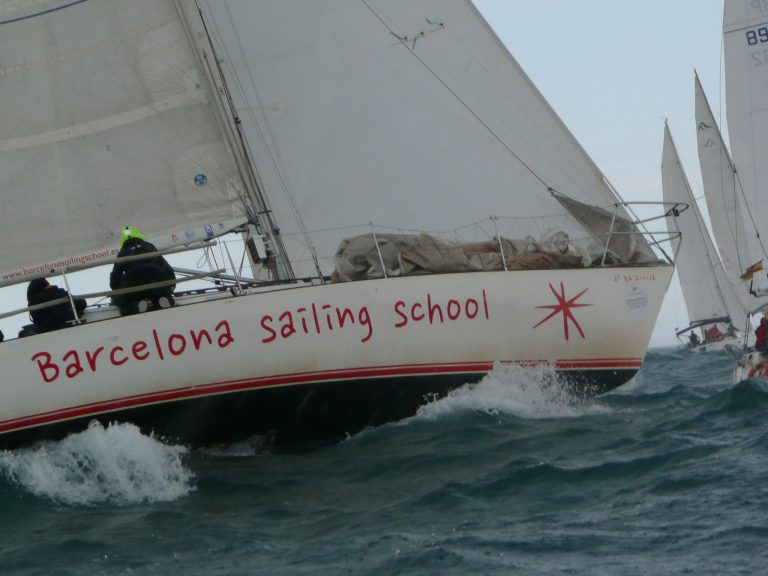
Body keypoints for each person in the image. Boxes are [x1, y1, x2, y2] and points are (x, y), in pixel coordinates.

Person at [110, 226, 176, 315]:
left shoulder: (122, 253)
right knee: (161, 291)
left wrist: (116, 290)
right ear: (138, 234)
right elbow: (165, 266)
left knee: (119, 299)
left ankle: (136, 306)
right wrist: (172, 283)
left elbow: (115, 278)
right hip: (158, 283)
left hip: (135, 287)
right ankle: (165, 300)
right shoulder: (150, 246)